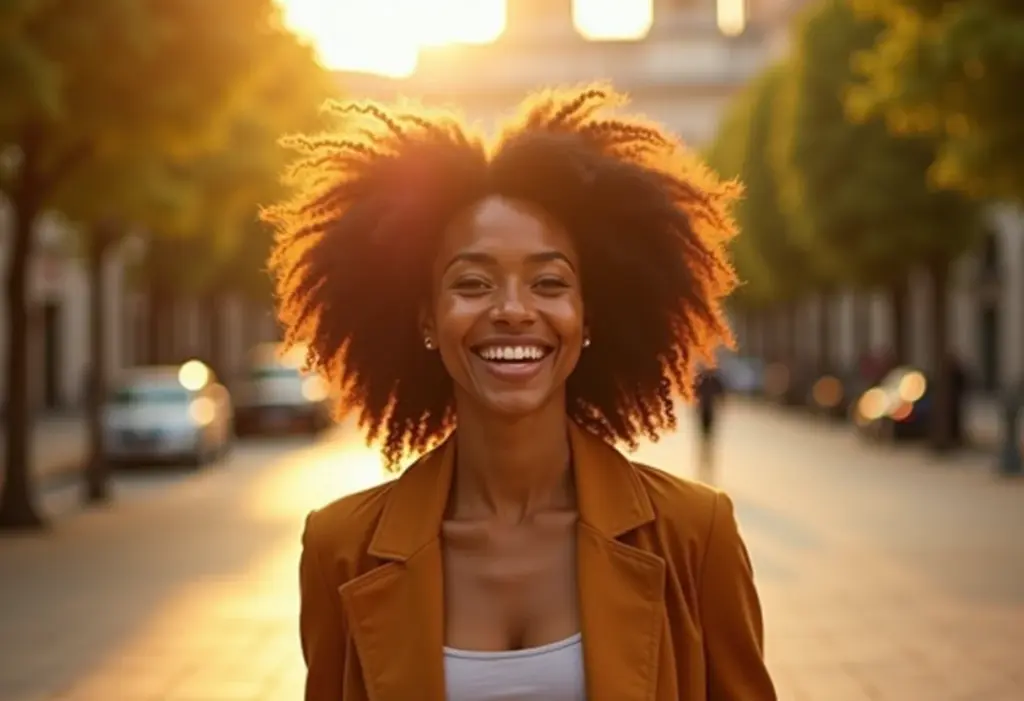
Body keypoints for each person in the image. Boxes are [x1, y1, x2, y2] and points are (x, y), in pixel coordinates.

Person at [266, 86, 777, 701]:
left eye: (549, 281)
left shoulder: (696, 534)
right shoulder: (339, 547)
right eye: (474, 282)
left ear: (588, 317)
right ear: (427, 318)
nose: (513, 310)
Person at [694, 366, 726, 483]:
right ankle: (704, 467)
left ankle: (706, 467)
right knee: (705, 441)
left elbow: (721, 396)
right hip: (705, 412)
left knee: (707, 442)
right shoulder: (705, 380)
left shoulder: (708, 380)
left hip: (708, 412)